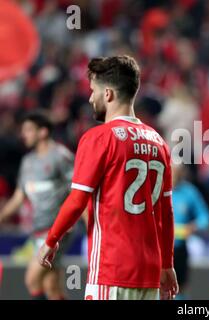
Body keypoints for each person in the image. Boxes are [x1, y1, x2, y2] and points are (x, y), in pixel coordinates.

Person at [38, 55, 178, 300]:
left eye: (93, 91)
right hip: (149, 274)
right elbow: (166, 213)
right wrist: (167, 264)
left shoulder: (99, 138)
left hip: (111, 270)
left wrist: (51, 240)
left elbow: (77, 200)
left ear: (109, 94)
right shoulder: (159, 142)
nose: (91, 98)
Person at [0, 112, 75, 300]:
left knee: (32, 279)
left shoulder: (61, 157)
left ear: (42, 132)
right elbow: (19, 197)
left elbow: (78, 192)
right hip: (38, 230)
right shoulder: (28, 162)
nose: (24, 134)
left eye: (28, 130)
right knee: (52, 288)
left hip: (57, 230)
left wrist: (88, 222)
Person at [171, 163, 209, 299]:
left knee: (179, 288)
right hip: (158, 249)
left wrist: (193, 227)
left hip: (179, 248)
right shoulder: (156, 188)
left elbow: (205, 217)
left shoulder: (189, 192)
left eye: (177, 171)